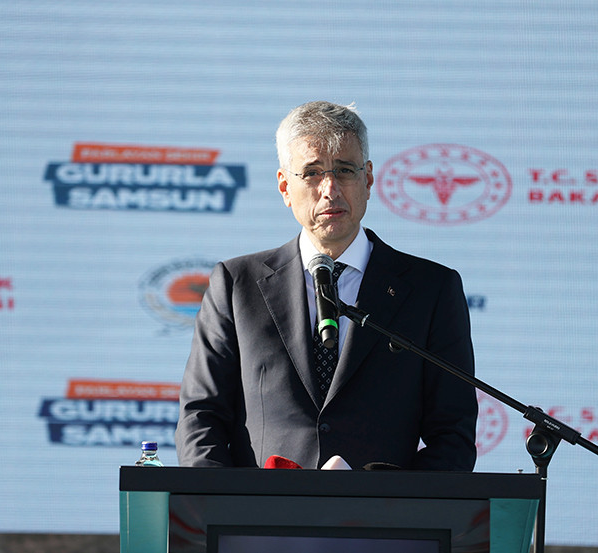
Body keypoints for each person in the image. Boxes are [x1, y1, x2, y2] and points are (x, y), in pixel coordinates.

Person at [175, 101, 478, 471]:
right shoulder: (237, 285)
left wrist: (389, 501)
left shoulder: (431, 290)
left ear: (368, 179)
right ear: (285, 187)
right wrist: (221, 500)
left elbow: (452, 436)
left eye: (345, 170)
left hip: (383, 509)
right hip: (259, 508)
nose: (330, 189)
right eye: (312, 173)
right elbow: (201, 418)